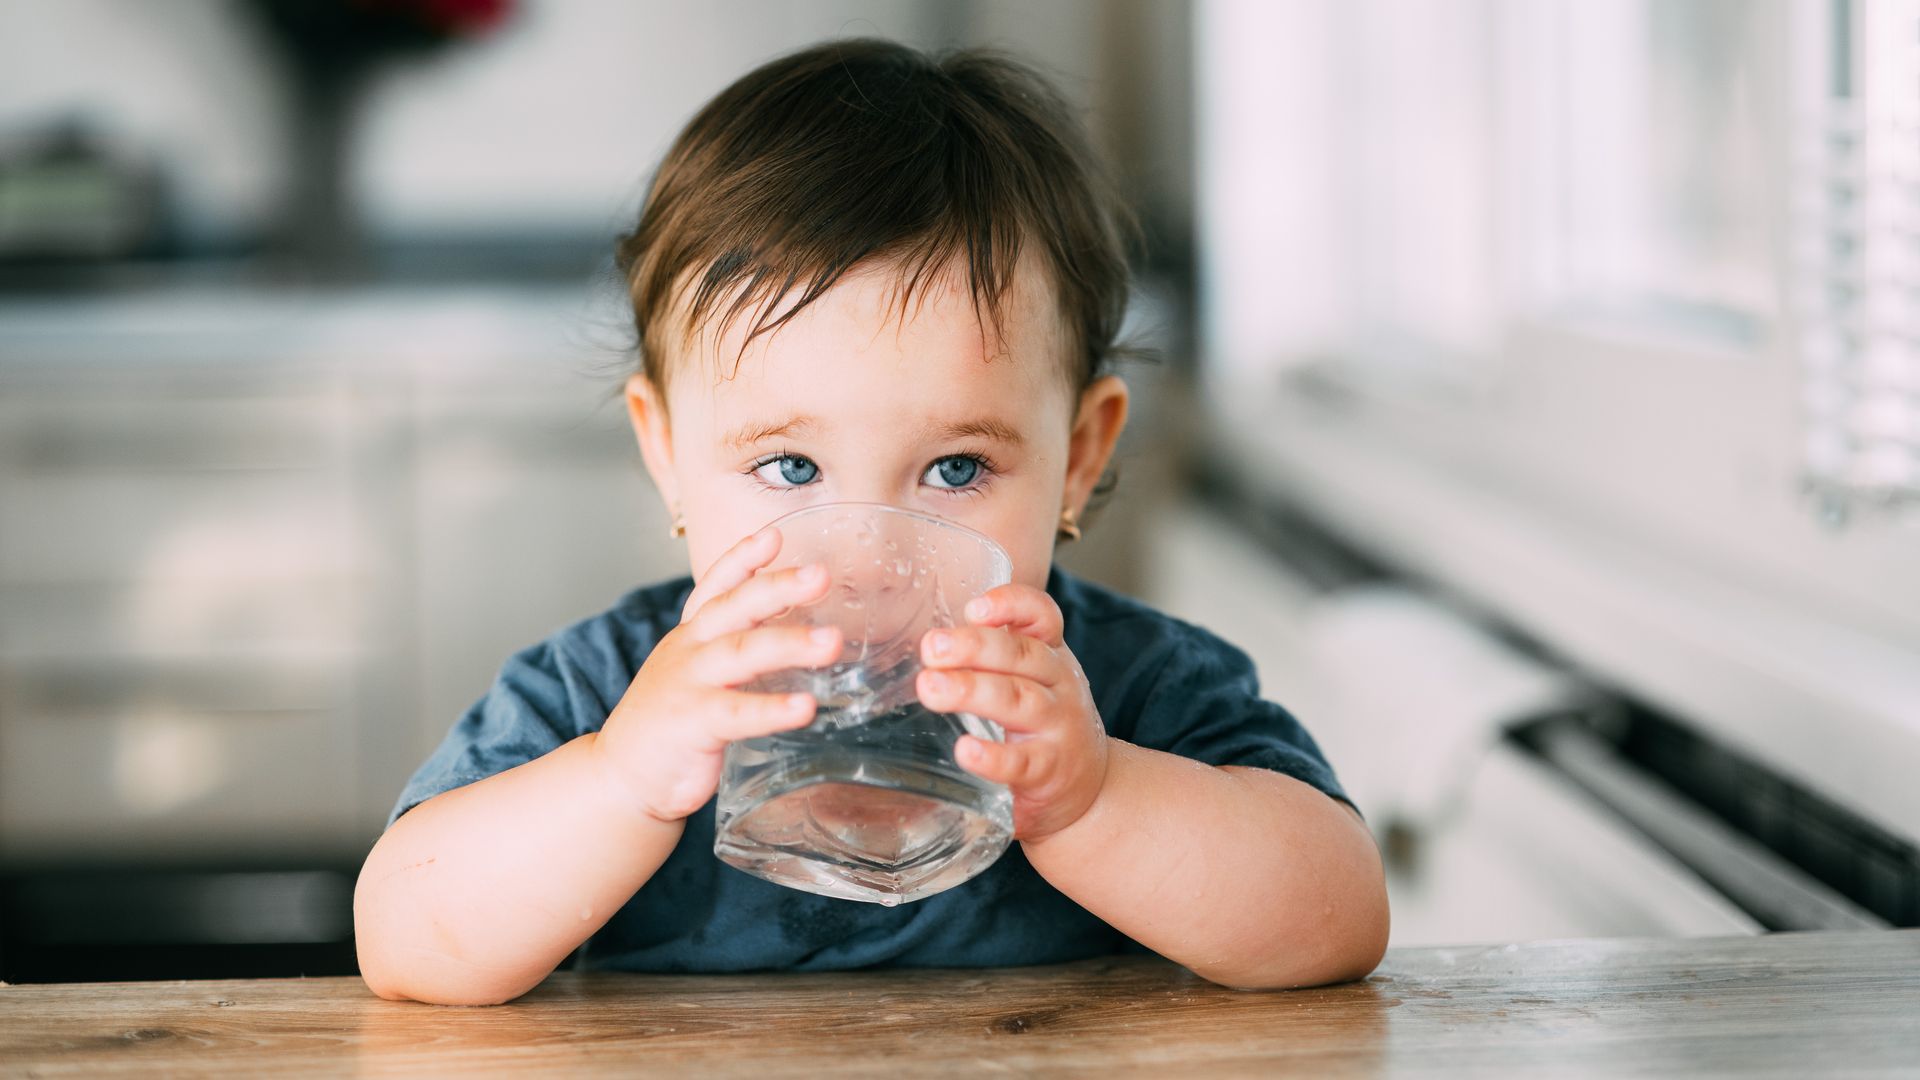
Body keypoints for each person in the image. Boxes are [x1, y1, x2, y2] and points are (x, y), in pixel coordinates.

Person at [354, 37, 1388, 1006]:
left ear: (1078, 457)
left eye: (955, 467)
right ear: (665, 450)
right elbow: (404, 939)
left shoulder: (1132, 689)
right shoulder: (606, 694)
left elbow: (1339, 919)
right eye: (791, 466)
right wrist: (621, 779)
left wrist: (1097, 797)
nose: (868, 558)